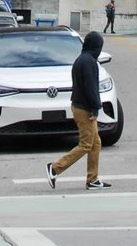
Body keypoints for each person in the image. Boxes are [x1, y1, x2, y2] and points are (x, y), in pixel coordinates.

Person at [47, 31, 112, 190]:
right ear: (96, 47)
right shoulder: (89, 61)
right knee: (86, 144)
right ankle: (55, 168)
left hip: (79, 105)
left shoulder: (81, 59)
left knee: (95, 143)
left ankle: (93, 179)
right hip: (85, 108)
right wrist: (95, 107)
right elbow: (90, 87)